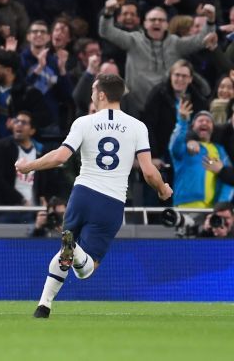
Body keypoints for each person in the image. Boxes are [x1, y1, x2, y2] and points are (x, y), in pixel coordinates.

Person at [15, 74, 172, 318]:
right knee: (85, 270)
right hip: (110, 201)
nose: (90, 95)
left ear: (101, 94)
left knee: (63, 257)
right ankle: (74, 249)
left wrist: (28, 166)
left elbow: (59, 157)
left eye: (92, 90)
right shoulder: (137, 126)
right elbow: (149, 171)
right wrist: (163, 190)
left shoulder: (83, 123)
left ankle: (44, 305)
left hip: (81, 195)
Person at [169, 107, 233, 209]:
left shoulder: (220, 150)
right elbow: (175, 144)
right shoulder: (184, 147)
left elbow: (229, 180)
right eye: (200, 120)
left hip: (211, 210)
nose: (204, 123)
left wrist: (222, 203)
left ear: (213, 128)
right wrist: (182, 121)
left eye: (208, 121)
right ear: (193, 126)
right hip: (185, 206)